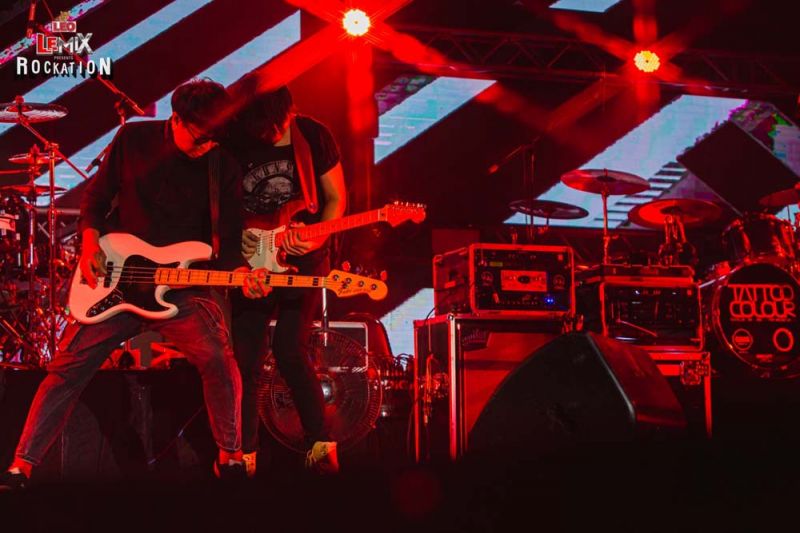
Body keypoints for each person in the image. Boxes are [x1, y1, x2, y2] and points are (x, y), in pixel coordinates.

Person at [0, 79, 270, 490]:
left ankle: (230, 458)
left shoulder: (224, 165)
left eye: (214, 138)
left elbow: (229, 242)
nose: (207, 146)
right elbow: (96, 200)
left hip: (181, 287)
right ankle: (21, 467)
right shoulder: (133, 140)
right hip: (117, 279)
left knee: (218, 358)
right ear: (176, 119)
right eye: (200, 137)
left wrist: (244, 274)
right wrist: (90, 243)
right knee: (66, 369)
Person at [226, 84, 347, 476]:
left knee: (290, 347)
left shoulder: (312, 136)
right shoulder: (234, 137)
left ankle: (321, 448)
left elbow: (335, 199)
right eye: (261, 129)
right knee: (244, 357)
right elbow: (217, 203)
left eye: (275, 127)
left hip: (304, 260)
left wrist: (318, 237)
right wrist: (235, 240)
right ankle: (244, 457)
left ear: (289, 113)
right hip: (251, 262)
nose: (268, 135)